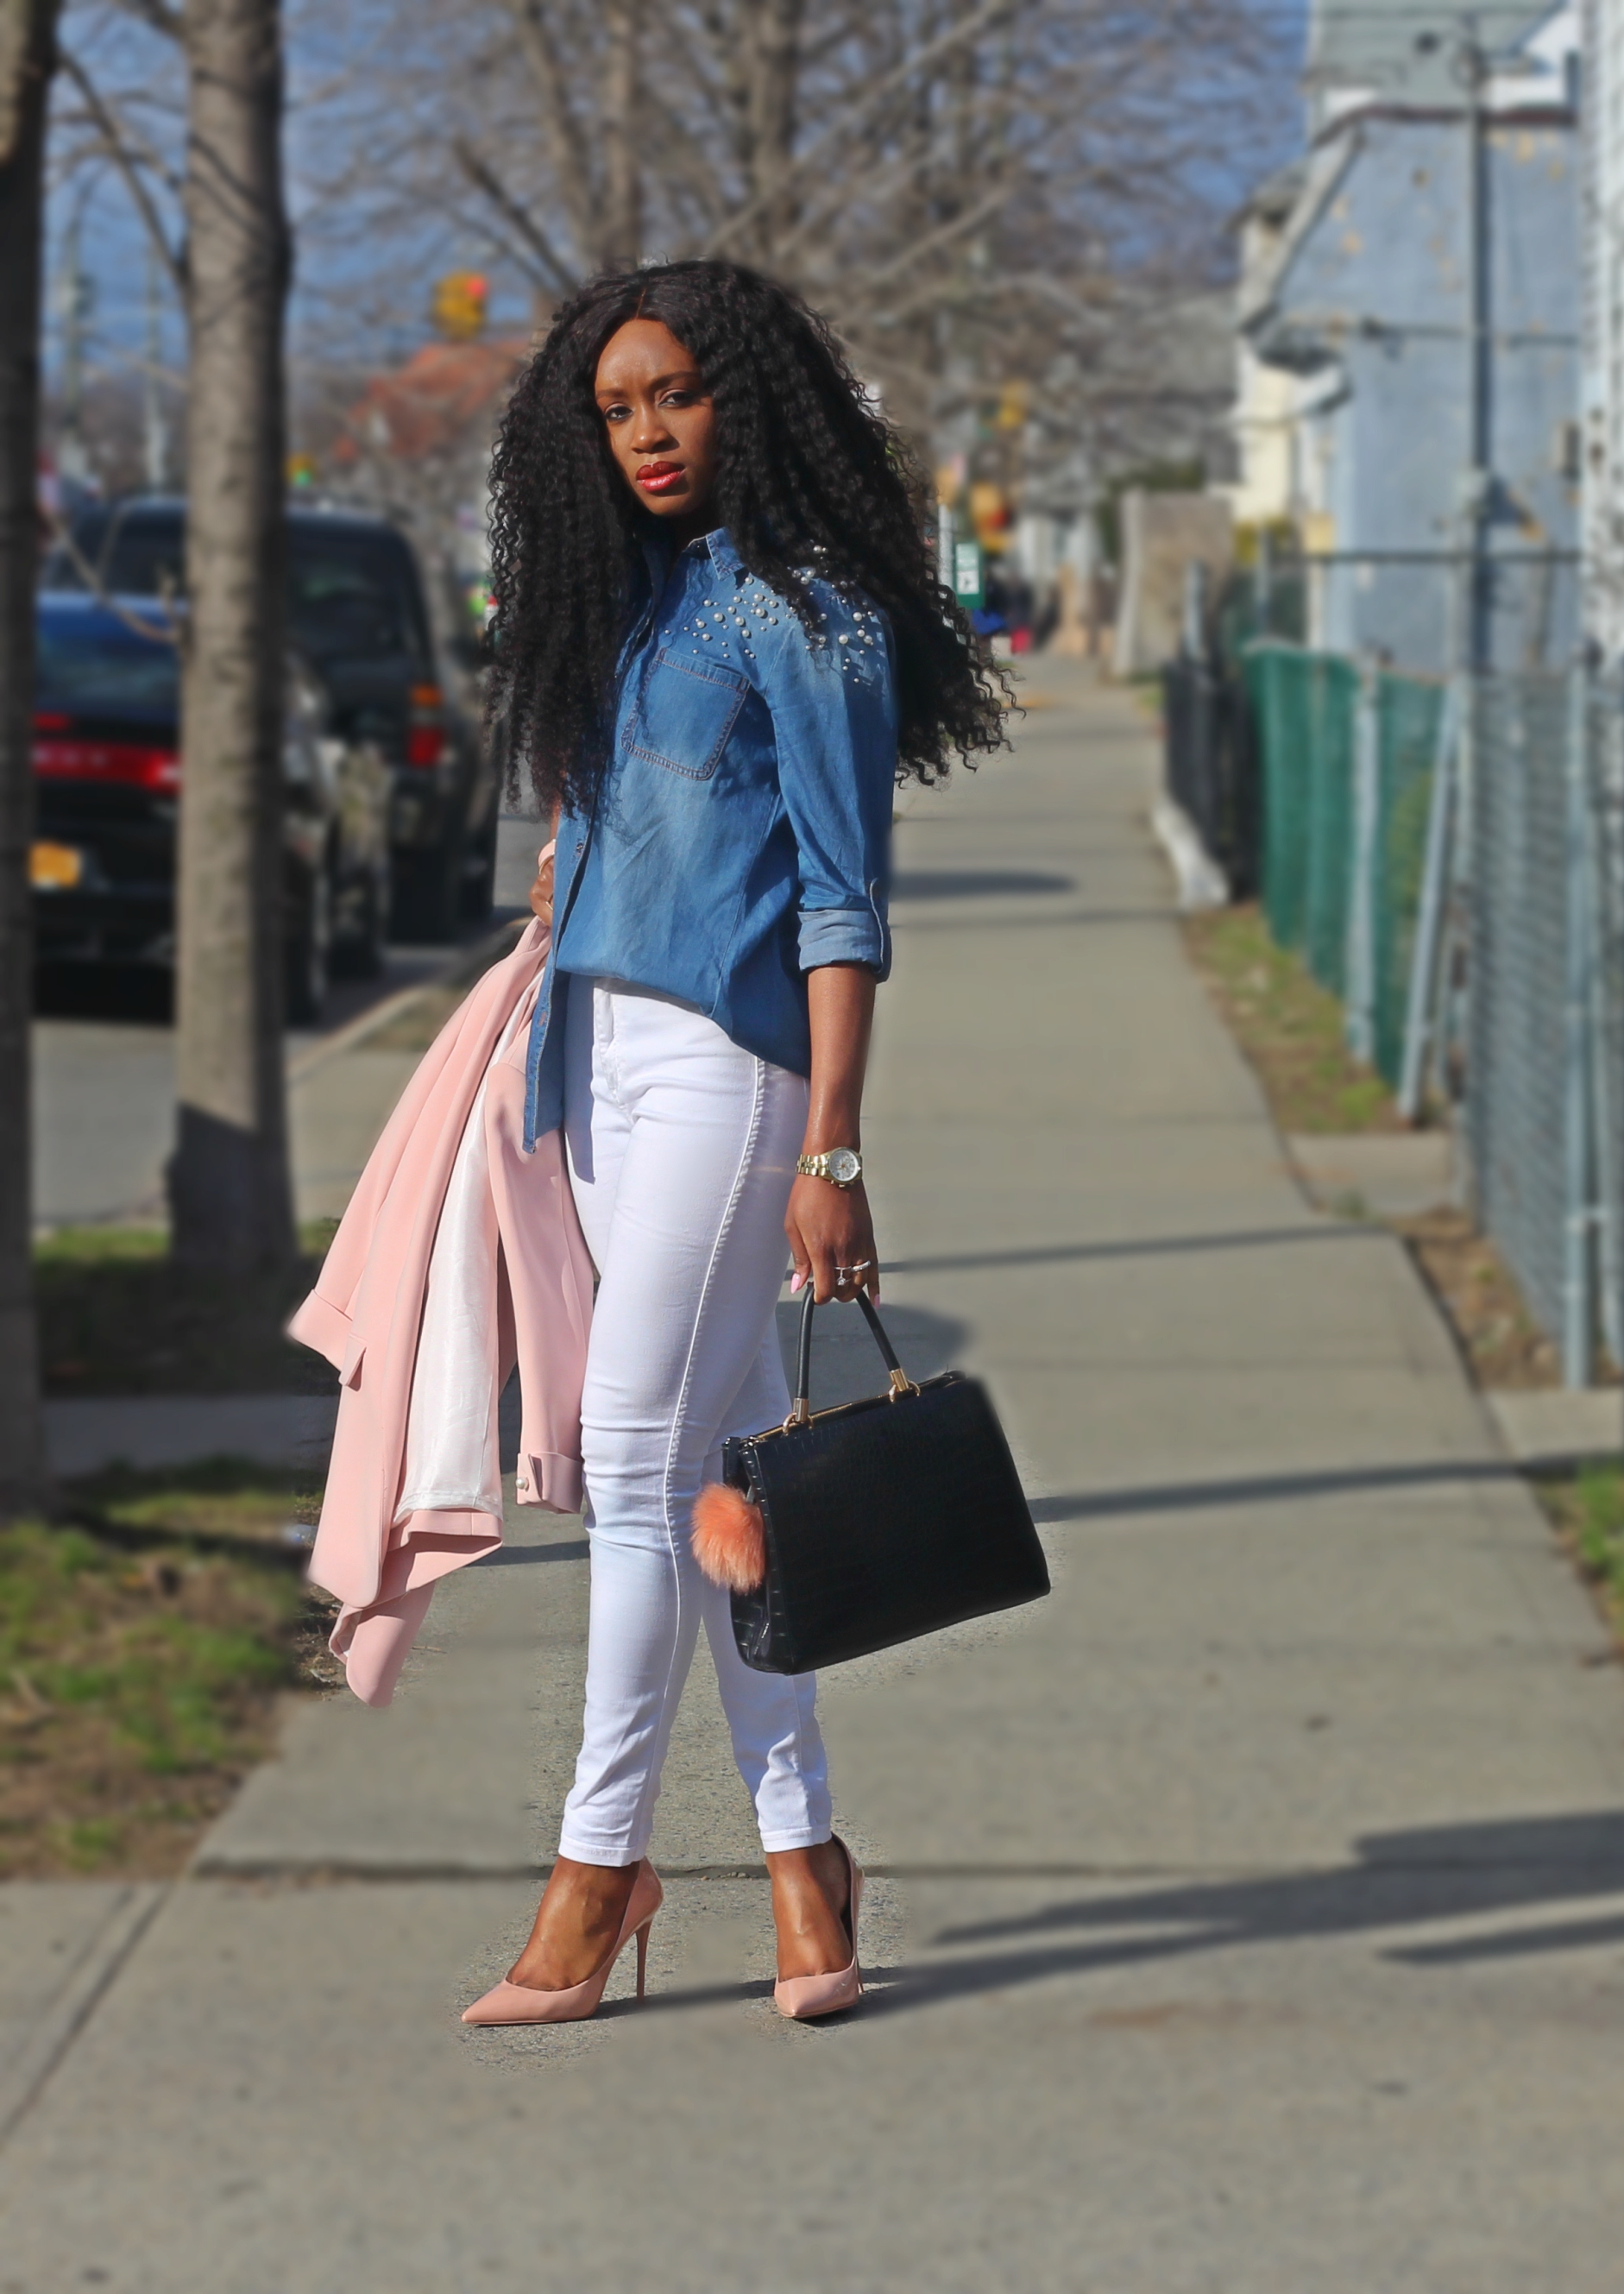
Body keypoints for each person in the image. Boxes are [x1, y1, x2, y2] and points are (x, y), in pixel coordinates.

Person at [460, 258, 1005, 2026]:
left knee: (632, 1464)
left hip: (729, 1069)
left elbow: (845, 902)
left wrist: (831, 1149)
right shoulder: (625, 606)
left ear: (743, 397)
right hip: (596, 1062)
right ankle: (803, 1869)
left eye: (674, 396)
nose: (646, 434)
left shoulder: (805, 608)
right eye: (615, 410)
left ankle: (597, 1867)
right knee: (709, 1487)